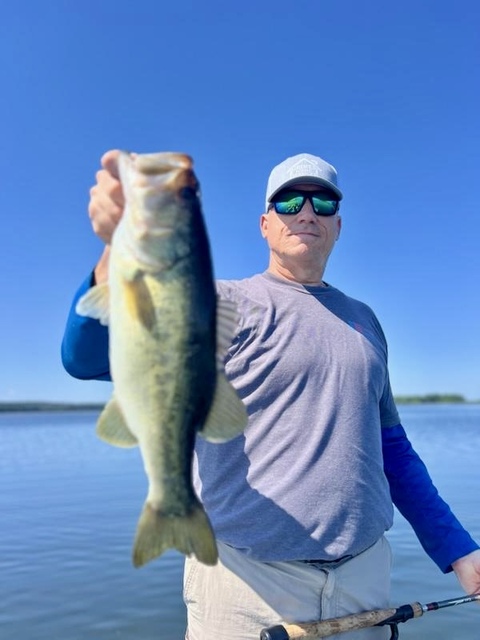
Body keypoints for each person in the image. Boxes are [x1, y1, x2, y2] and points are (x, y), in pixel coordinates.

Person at [61, 150, 480, 640]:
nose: (306, 212)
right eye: (289, 202)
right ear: (265, 223)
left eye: (323, 202)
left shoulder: (366, 321)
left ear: (338, 226)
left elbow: (392, 449)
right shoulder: (221, 302)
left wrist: (455, 547)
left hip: (365, 577)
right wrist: (115, 250)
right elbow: (84, 357)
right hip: (245, 583)